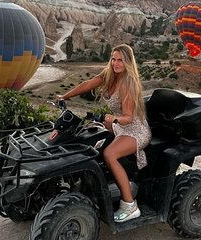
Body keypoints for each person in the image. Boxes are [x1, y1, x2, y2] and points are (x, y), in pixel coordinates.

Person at [57, 44, 152, 222]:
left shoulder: (128, 83)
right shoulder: (110, 74)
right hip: (119, 125)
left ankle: (130, 205)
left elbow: (128, 118)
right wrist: (65, 96)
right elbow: (88, 83)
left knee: (109, 154)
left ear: (128, 62)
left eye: (120, 60)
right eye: (113, 59)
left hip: (135, 130)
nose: (116, 63)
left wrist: (110, 118)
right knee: (87, 134)